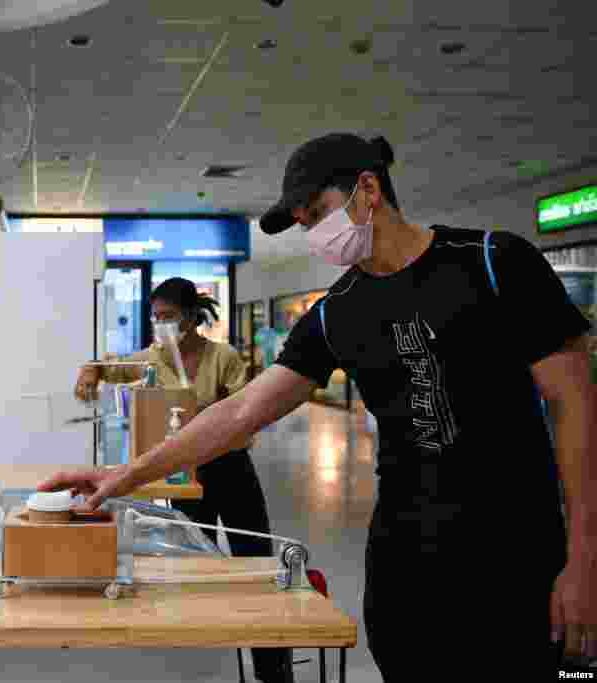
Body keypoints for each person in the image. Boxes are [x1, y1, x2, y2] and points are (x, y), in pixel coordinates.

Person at [45, 133, 597, 680]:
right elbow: (238, 414)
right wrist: (126, 474)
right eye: (305, 224)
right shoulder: (337, 314)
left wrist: (586, 558)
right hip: (406, 567)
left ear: (368, 189)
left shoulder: (493, 263)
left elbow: (576, 405)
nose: (314, 233)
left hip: (521, 561)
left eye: (318, 214)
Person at [75, 277, 294, 683]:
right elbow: (108, 366)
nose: (162, 325)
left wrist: (207, 421)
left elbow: (247, 415)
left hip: (230, 469)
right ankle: (204, 661)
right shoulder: (153, 358)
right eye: (156, 318)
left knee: (257, 562)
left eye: (169, 317)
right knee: (196, 563)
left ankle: (272, 666)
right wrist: (90, 373)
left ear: (192, 316)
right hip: (183, 473)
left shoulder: (223, 357)